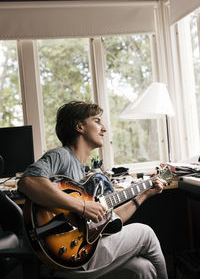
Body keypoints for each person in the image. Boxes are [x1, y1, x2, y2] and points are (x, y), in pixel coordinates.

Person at [18, 100, 168, 279]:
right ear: (80, 126)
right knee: (146, 233)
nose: (103, 128)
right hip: (66, 254)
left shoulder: (85, 174)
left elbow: (110, 220)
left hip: (84, 252)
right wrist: (82, 206)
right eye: (97, 121)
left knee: (142, 269)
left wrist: (145, 194)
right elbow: (28, 182)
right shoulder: (61, 155)